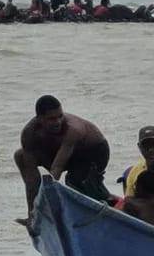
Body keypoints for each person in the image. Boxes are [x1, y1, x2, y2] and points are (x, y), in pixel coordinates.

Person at [14, 95, 111, 223]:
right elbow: (30, 172)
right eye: (51, 119)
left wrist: (48, 190)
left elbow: (57, 169)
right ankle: (34, 215)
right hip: (59, 152)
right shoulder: (29, 133)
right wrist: (36, 206)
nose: (58, 122)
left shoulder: (72, 130)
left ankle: (105, 202)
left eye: (60, 116)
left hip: (93, 151)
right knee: (21, 156)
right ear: (39, 119)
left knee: (74, 181)